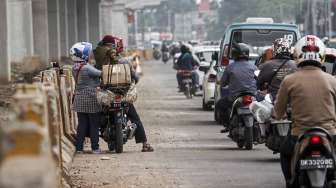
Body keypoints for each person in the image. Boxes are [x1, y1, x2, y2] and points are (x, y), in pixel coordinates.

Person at [273, 35, 336, 187]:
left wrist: (279, 116)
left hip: (299, 133)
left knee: (285, 152)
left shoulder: (289, 80)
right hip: (330, 132)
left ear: (297, 55)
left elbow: (278, 111)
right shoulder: (332, 80)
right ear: (321, 55)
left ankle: (290, 181)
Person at [94, 35, 154, 152]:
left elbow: (96, 77)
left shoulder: (100, 61)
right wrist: (132, 84)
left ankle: (93, 145)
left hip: (107, 95)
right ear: (114, 47)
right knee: (135, 118)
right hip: (123, 95)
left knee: (97, 116)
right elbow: (135, 77)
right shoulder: (124, 61)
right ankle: (144, 144)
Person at [70, 42, 102, 154]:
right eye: (88, 53)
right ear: (83, 55)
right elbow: (101, 73)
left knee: (82, 124)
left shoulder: (74, 67)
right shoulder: (87, 68)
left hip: (79, 98)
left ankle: (79, 148)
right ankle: (95, 148)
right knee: (94, 124)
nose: (90, 55)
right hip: (91, 98)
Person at [219, 43, 258, 131]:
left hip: (235, 97)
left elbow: (223, 83)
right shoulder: (254, 67)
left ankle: (227, 125)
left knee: (220, 104)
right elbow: (260, 81)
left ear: (234, 54)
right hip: (253, 96)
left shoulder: (230, 67)